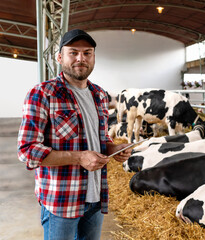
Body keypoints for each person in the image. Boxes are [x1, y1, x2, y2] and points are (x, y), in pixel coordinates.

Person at [17, 29, 132, 240]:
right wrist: (79, 157)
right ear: (60, 57)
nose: (81, 58)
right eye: (73, 52)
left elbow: (100, 137)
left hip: (96, 199)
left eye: (87, 53)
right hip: (62, 202)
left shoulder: (99, 94)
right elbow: (27, 152)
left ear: (94, 57)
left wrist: (112, 147)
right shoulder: (43, 93)